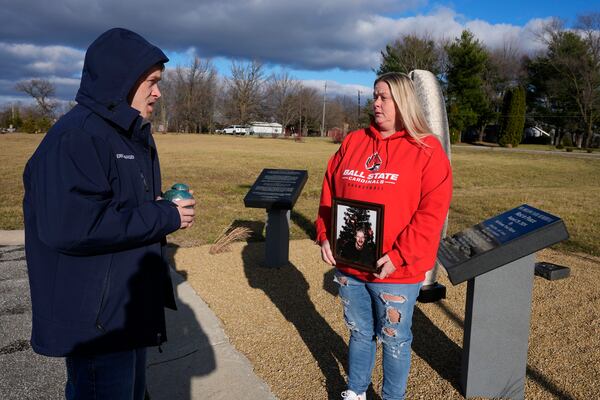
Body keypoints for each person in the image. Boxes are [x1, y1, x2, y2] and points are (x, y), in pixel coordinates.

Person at [23, 28, 195, 400]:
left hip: (124, 312)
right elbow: (72, 227)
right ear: (122, 80)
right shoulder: (78, 138)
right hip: (98, 323)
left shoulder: (126, 135)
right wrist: (166, 216)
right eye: (151, 82)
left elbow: (118, 208)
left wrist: (159, 205)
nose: (158, 93)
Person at [315, 72, 452, 400]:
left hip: (395, 272)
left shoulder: (427, 149)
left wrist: (400, 254)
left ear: (403, 101)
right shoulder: (354, 142)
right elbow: (329, 191)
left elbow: (432, 212)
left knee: (394, 338)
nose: (376, 103)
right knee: (360, 333)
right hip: (350, 266)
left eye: (384, 97)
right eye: (375, 96)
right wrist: (324, 235)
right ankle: (356, 390)